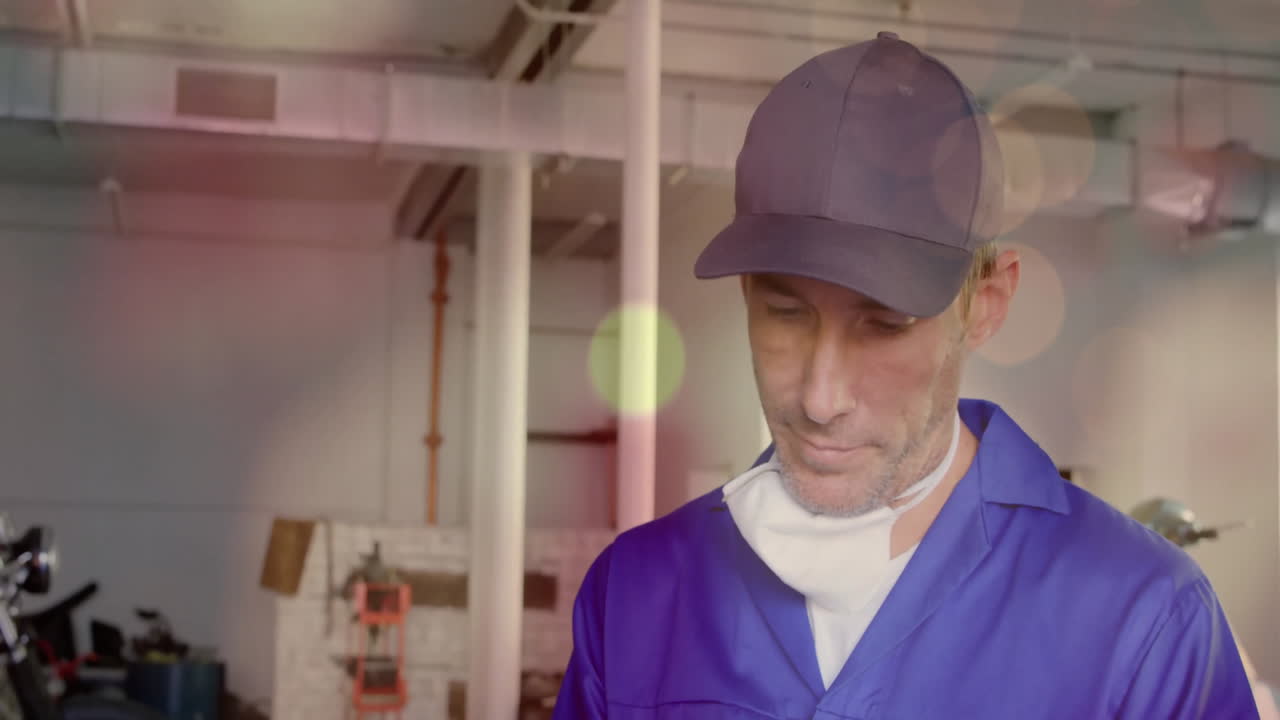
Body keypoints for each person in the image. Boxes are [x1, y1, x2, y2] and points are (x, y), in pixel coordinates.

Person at [552, 32, 1259, 719]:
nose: (821, 398)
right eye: (785, 312)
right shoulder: (636, 596)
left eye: (883, 325)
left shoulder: (1144, 624)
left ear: (985, 305)